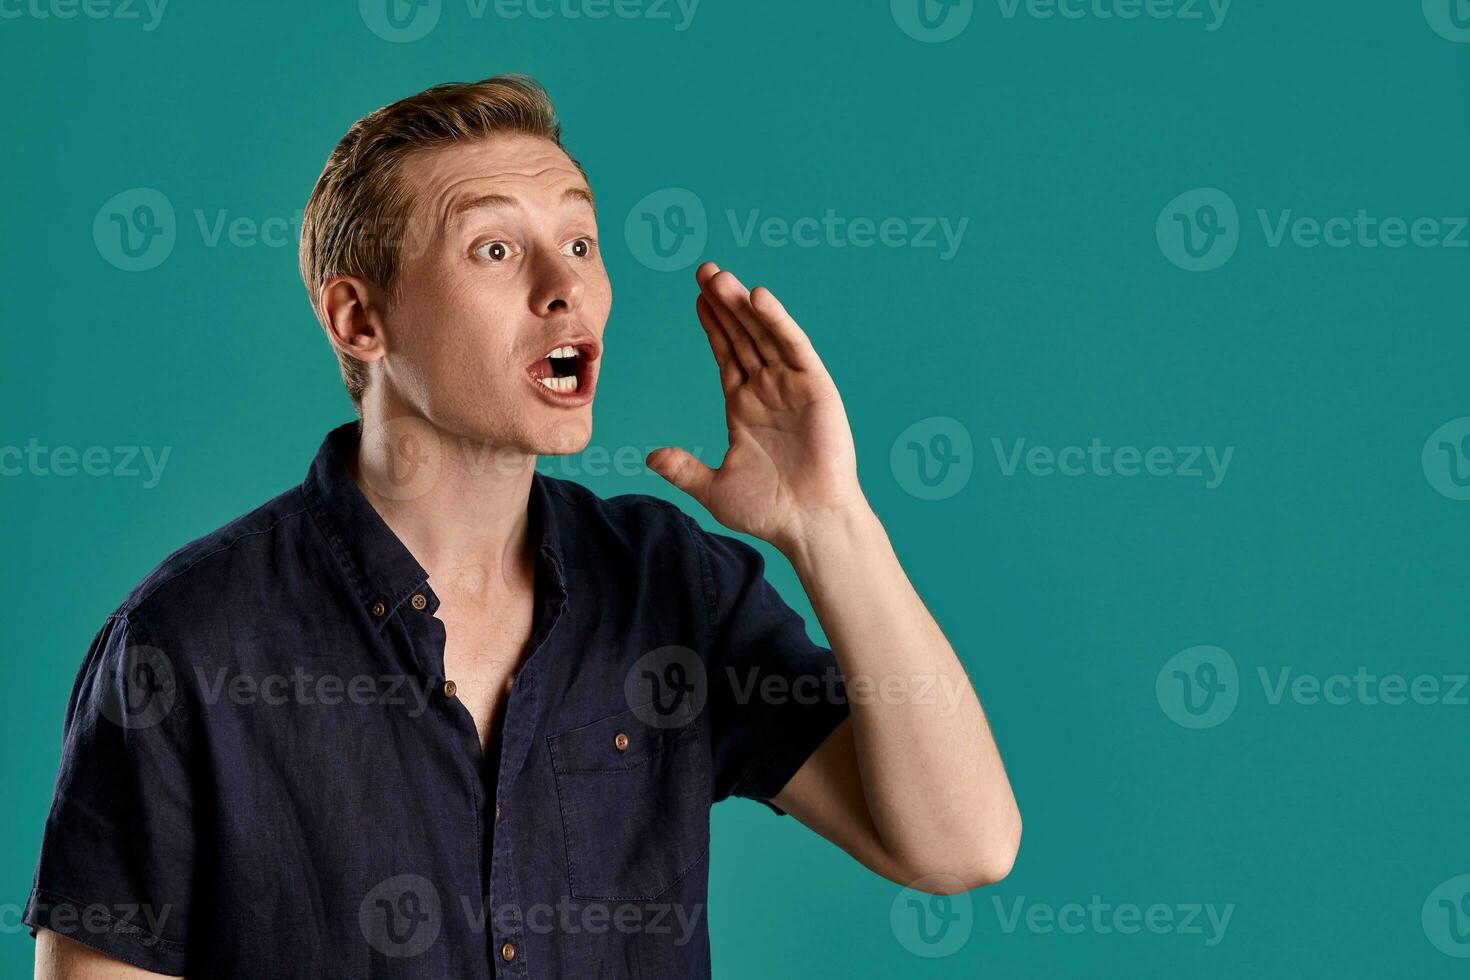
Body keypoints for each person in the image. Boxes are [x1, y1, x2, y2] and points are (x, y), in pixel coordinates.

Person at [27, 73, 1019, 979]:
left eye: (581, 242)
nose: (566, 285)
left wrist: (827, 521)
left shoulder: (668, 582)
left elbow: (961, 843)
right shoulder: (193, 638)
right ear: (359, 321)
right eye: (495, 248)